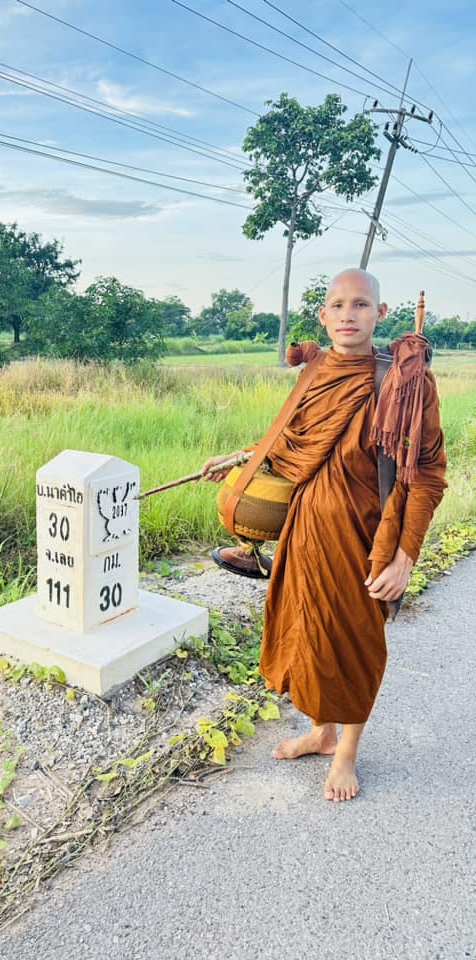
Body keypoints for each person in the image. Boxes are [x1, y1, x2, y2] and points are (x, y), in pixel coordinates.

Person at [200, 268, 447, 802]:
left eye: (360, 305)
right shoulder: (316, 371)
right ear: (323, 314)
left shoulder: (405, 381)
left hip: (366, 534)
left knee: (357, 641)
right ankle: (321, 731)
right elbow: (293, 438)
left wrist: (406, 554)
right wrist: (242, 459)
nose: (347, 315)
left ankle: (347, 753)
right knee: (307, 629)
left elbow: (428, 473)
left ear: (381, 314)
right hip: (306, 526)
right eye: (336, 305)